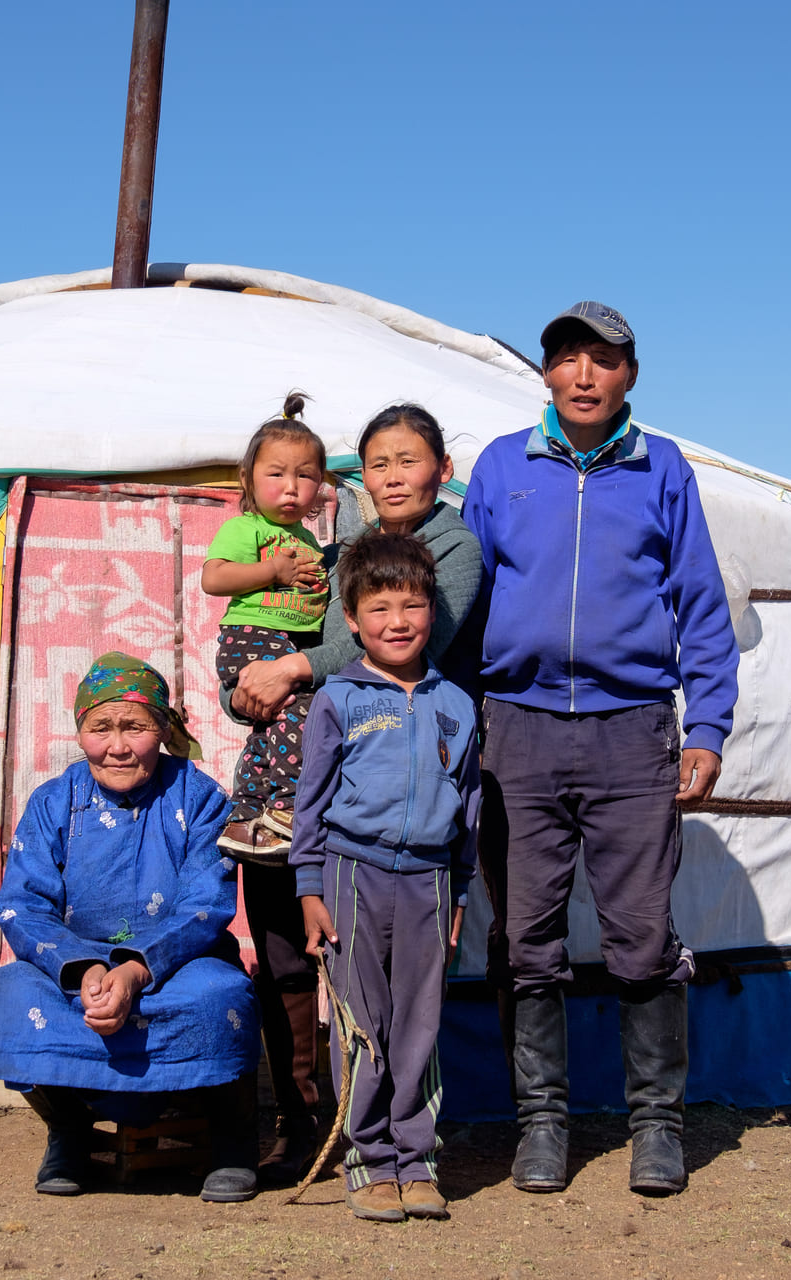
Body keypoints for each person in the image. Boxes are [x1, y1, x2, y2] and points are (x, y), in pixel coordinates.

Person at [461, 301, 740, 1197]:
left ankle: (656, 1126)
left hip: (631, 731)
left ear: (629, 376)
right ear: (544, 372)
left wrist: (708, 726)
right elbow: (464, 600)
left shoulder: (664, 470)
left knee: (642, 934)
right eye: (568, 358)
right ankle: (541, 1127)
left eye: (604, 360)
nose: (585, 374)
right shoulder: (504, 466)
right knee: (527, 936)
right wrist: (456, 717)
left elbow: (699, 602)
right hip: (519, 726)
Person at [226, 402, 487, 1183]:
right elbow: (306, 623)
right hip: (331, 821)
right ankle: (313, 1123)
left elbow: (359, 644)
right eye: (378, 463)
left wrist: (286, 669)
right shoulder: (334, 548)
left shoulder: (453, 548)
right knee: (293, 959)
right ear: (362, 477)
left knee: (402, 1009)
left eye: (409, 459)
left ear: (442, 468)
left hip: (410, 818)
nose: (393, 475)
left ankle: (398, 1148)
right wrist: (251, 677)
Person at [0, 652, 261, 1203]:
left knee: (222, 998)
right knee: (2, 994)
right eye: (101, 728)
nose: (117, 746)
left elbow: (206, 904)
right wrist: (85, 968)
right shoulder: (55, 801)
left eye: (134, 727)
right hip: (74, 964)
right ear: (81, 734)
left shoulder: (201, 798)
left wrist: (133, 970)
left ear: (163, 731)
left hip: (177, 963)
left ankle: (234, 1142)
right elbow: (23, 903)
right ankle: (69, 1131)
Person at [291, 530, 481, 1223]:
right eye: (379, 609)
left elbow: (469, 807)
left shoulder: (457, 706)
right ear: (351, 622)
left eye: (411, 606)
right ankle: (369, 1162)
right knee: (362, 1024)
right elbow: (309, 801)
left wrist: (460, 889)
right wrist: (309, 887)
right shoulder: (338, 699)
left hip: (429, 879)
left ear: (433, 610)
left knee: (419, 1025)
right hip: (350, 874)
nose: (396, 622)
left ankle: (418, 1160)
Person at [202, 391, 331, 861]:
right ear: (248, 479)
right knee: (303, 713)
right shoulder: (246, 528)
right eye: (275, 474)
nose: (291, 487)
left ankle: (245, 816)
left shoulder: (308, 539)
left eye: (305, 476)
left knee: (270, 729)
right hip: (251, 638)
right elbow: (212, 578)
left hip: (284, 641)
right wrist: (271, 572)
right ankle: (286, 809)